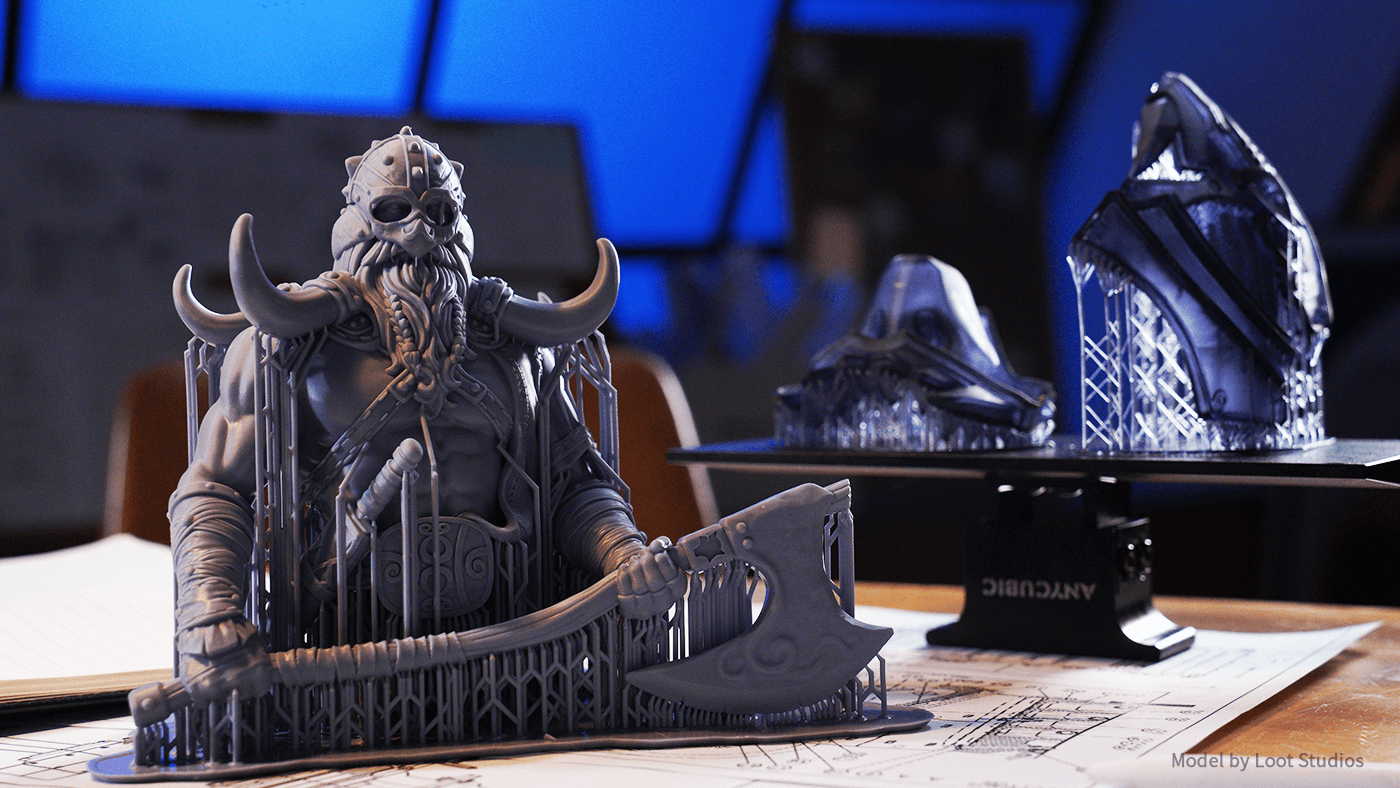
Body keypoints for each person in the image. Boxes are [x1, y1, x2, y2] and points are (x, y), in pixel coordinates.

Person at [170, 127, 685, 702]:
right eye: (393, 212)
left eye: (439, 213)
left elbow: (573, 489)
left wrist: (622, 553)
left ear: (461, 226)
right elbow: (216, 487)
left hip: (510, 657)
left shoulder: (518, 351)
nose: (418, 235)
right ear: (355, 224)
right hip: (345, 657)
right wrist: (209, 610)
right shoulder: (286, 352)